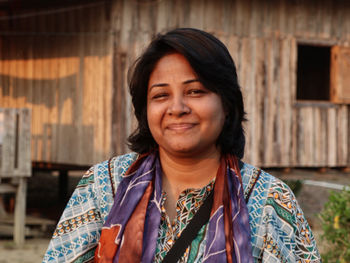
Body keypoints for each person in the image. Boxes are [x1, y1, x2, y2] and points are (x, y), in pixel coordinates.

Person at [43, 28, 321, 263]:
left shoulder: (269, 199)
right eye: (161, 95)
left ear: (226, 104)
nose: (177, 108)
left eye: (195, 91)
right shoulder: (103, 185)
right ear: (145, 110)